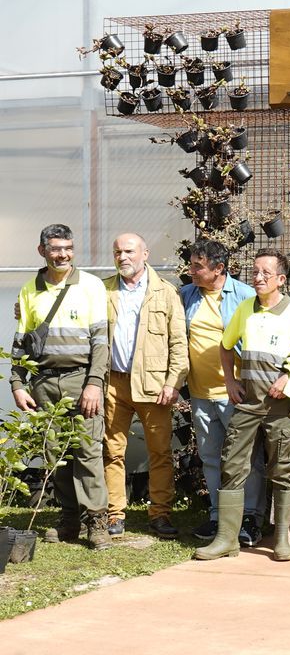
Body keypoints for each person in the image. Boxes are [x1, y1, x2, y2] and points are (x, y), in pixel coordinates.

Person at [194, 249, 290, 562]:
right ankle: (226, 538)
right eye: (255, 271)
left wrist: (288, 376)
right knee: (232, 464)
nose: (258, 277)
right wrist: (230, 382)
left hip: (281, 407)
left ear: (280, 279)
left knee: (281, 469)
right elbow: (225, 347)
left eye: (266, 273)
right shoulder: (246, 309)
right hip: (248, 404)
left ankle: (281, 539)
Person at [12, 224, 112, 549]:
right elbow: (21, 342)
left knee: (88, 452)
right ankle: (69, 520)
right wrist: (17, 383)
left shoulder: (92, 286)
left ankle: (97, 523)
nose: (63, 254)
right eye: (55, 248)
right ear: (42, 250)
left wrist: (94, 383)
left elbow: (101, 341)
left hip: (81, 380)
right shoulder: (29, 290)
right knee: (57, 456)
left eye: (68, 247)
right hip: (43, 385)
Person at [101, 233, 188, 539]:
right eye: (117, 252)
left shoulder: (165, 292)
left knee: (160, 452)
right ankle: (114, 514)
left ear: (145, 254)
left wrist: (173, 382)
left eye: (128, 251)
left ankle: (160, 514)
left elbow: (179, 343)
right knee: (112, 451)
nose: (122, 257)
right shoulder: (104, 290)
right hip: (113, 382)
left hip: (153, 384)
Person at [179, 239, 262, 545]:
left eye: (198, 266)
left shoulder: (244, 296)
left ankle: (250, 517)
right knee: (211, 457)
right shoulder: (187, 295)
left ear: (219, 269)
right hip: (200, 394)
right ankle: (218, 517)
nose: (191, 271)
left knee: (245, 459)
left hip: (235, 394)